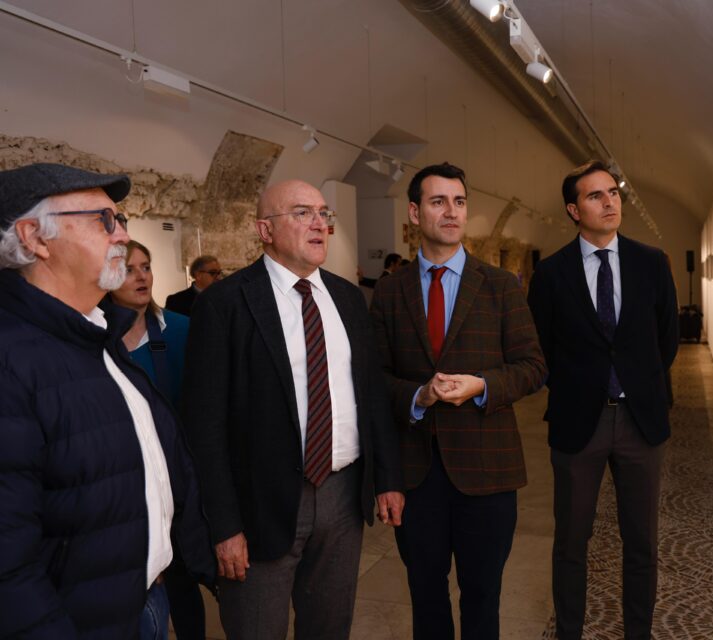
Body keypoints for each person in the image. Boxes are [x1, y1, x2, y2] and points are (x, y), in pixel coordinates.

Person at [181, 178, 405, 639]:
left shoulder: (348, 299)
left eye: (324, 213)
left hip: (343, 496)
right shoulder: (225, 305)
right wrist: (223, 525)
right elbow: (204, 427)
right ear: (265, 230)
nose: (320, 224)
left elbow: (371, 396)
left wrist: (388, 478)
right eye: (302, 213)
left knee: (329, 627)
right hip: (260, 503)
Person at [0, 162, 215, 638]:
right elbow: (9, 564)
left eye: (120, 221)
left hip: (144, 600)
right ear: (35, 237)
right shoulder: (12, 359)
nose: (120, 235)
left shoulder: (98, 335)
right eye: (104, 221)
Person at [369, 162, 546, 640]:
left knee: (483, 599)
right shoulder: (388, 293)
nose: (451, 212)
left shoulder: (501, 287)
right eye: (438, 201)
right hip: (416, 475)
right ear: (413, 212)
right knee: (426, 599)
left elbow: (532, 367)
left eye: (460, 202)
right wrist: (419, 395)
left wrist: (482, 386)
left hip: (488, 474)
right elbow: (374, 379)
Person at [527, 160, 679, 640]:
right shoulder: (551, 274)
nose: (609, 202)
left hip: (640, 422)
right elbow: (541, 347)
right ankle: (568, 632)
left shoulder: (651, 262)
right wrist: (578, 387)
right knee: (571, 542)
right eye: (595, 196)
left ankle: (639, 633)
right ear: (574, 210)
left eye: (613, 193)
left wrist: (639, 382)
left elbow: (667, 339)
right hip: (578, 424)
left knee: (642, 543)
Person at [108, 239, 207, 639]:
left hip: (177, 482)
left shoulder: (181, 329)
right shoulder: (96, 337)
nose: (141, 276)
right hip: (124, 481)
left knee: (182, 580)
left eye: (146, 267)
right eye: (129, 269)